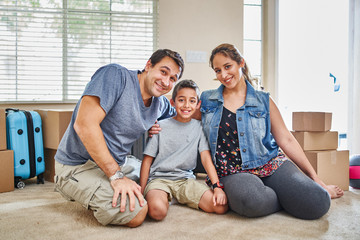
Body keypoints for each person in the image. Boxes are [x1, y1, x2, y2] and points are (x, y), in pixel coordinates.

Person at [199, 43, 344, 220]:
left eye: (227, 66)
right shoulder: (207, 100)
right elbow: (183, 117)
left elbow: (286, 140)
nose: (223, 75)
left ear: (241, 63)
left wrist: (315, 178)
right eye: (217, 70)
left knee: (318, 202)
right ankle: (284, 197)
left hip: (270, 163)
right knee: (250, 201)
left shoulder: (263, 100)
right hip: (232, 171)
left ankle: (289, 192)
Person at [53, 49, 184, 227]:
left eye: (173, 79)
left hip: (120, 163)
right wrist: (117, 177)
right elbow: (84, 124)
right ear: (148, 65)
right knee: (136, 212)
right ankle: (70, 186)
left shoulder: (159, 104)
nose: (166, 81)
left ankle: (114, 183)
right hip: (78, 166)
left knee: (158, 182)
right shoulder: (115, 76)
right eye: (163, 72)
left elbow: (180, 116)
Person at [140, 79, 228, 221]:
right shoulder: (159, 127)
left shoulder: (199, 127)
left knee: (220, 207)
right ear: (173, 102)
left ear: (198, 104)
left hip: (185, 180)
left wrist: (217, 186)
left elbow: (206, 158)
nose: (186, 105)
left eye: (192, 101)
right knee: (157, 212)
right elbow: (146, 162)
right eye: (181, 100)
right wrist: (142, 190)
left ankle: (178, 197)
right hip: (159, 180)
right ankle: (166, 197)